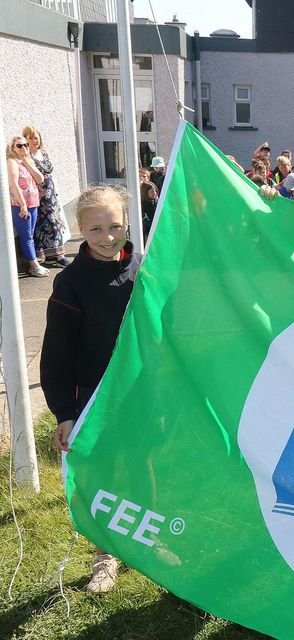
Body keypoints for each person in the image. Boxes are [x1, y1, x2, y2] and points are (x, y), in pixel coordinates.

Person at [42, 184, 137, 594]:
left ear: (127, 224)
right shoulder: (70, 283)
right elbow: (56, 355)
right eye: (96, 229)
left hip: (142, 393)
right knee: (103, 476)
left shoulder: (144, 270)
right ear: (79, 229)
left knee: (142, 467)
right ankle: (105, 554)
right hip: (93, 398)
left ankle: (145, 542)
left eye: (115, 226)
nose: (107, 236)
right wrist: (64, 411)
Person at [24, 126, 70, 267]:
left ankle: (52, 257)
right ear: (26, 140)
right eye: (31, 138)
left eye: (36, 137)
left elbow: (49, 172)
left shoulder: (43, 153)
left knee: (55, 222)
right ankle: (58, 256)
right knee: (48, 225)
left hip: (51, 195)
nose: (34, 140)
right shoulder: (27, 157)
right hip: (40, 196)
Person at [7, 135, 47, 277]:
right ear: (13, 148)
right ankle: (34, 265)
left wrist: (26, 160)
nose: (23, 147)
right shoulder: (12, 162)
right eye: (19, 146)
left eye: (25, 145)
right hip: (20, 205)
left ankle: (34, 263)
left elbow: (40, 179)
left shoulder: (27, 161)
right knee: (26, 236)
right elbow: (13, 185)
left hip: (33, 203)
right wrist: (23, 204)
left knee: (30, 234)